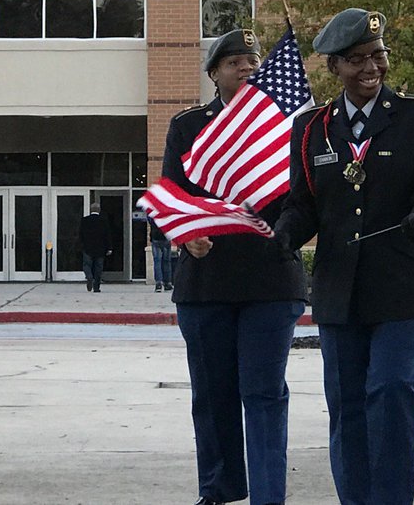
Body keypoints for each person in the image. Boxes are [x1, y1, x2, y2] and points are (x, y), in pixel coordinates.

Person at [274, 9, 414, 505]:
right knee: (348, 404)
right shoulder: (312, 130)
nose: (371, 67)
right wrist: (285, 234)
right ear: (335, 67)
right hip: (340, 290)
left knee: (393, 391)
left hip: (403, 283)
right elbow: (303, 204)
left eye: (378, 55)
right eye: (357, 59)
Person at [167, 28, 308, 505]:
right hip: (205, 283)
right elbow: (172, 197)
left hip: (270, 280)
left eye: (253, 61)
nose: (247, 68)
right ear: (214, 74)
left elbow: (302, 200)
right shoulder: (188, 127)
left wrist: (285, 235)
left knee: (264, 393)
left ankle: (269, 495)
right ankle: (219, 490)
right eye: (235, 62)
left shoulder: (288, 125)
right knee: (212, 396)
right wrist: (186, 233)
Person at [78, 202, 112, 292]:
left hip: (87, 247)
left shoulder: (84, 220)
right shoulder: (104, 220)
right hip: (100, 248)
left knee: (87, 265)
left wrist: (81, 245)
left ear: (90, 210)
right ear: (99, 210)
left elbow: (80, 234)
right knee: (98, 268)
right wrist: (109, 248)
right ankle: (96, 287)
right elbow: (107, 235)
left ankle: (89, 277)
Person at [148, 214, 173, 292]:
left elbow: (149, 221)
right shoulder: (167, 212)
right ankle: (167, 283)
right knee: (166, 261)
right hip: (166, 237)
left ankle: (158, 283)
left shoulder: (152, 213)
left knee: (157, 261)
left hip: (155, 238)